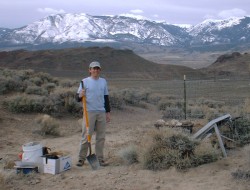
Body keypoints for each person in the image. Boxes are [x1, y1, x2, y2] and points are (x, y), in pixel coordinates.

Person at [76, 61, 111, 167]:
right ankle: (81, 159)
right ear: (90, 70)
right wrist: (80, 95)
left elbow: (106, 97)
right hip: (89, 112)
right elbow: (77, 98)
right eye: (93, 68)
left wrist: (108, 112)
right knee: (86, 136)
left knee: (101, 137)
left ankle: (100, 159)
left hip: (101, 111)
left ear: (99, 70)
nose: (95, 70)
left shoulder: (103, 81)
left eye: (97, 68)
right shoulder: (84, 81)